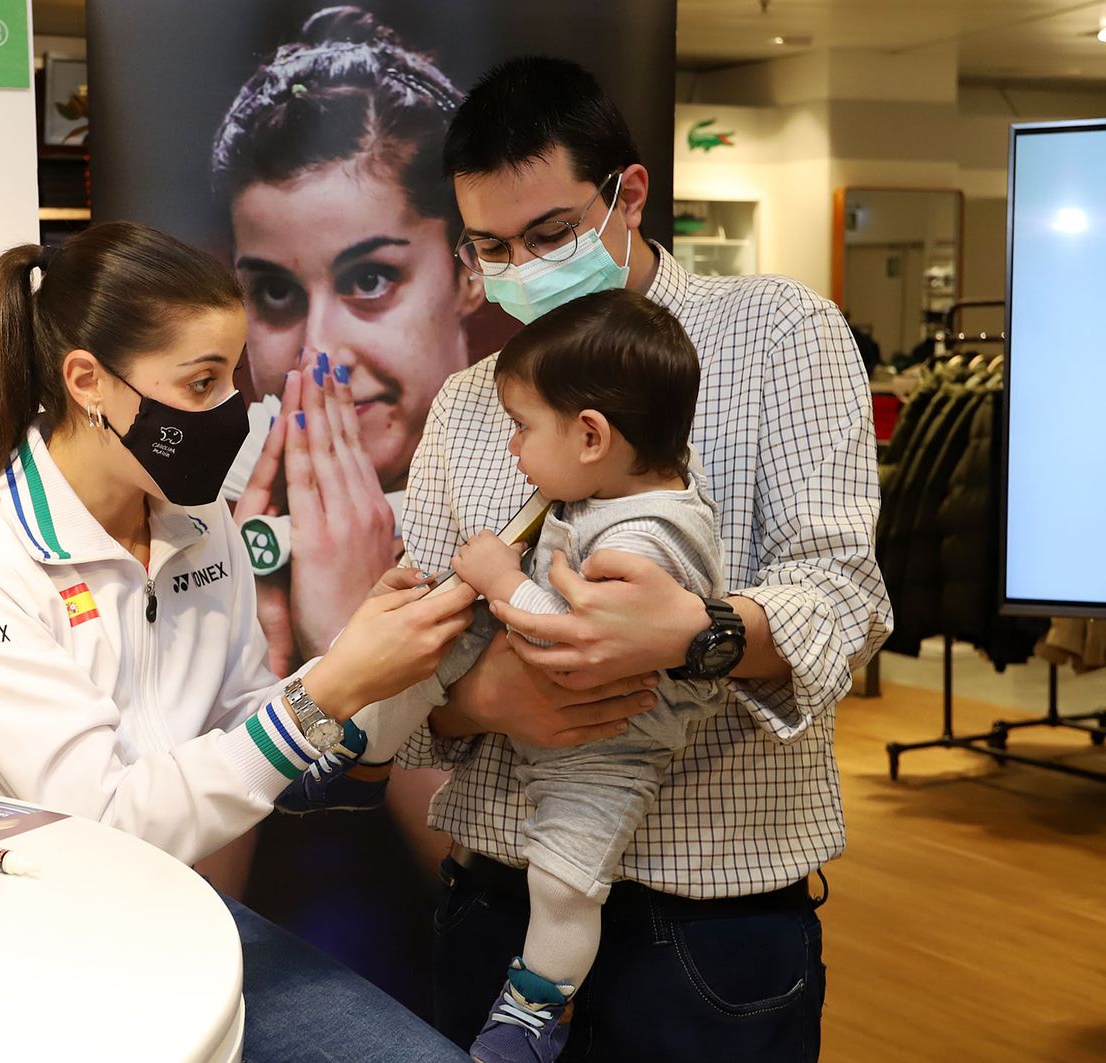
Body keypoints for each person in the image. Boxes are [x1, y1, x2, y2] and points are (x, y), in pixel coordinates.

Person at [310, 57, 890, 1060]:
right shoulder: (466, 402)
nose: (521, 269)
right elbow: (429, 646)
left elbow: (844, 596)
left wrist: (701, 636)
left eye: (549, 236)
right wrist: (478, 699)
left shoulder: (776, 334)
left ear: (628, 194)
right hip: (496, 899)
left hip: (709, 913)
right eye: (491, 246)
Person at [0, 221, 475, 1062]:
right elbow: (105, 821)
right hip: (14, 955)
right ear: (88, 382)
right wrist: (330, 684)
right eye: (200, 384)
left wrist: (380, 664)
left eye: (233, 378)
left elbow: (239, 721)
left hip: (173, 918)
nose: (229, 411)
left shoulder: (201, 530)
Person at [306, 290, 729, 1061]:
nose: (511, 448)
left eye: (523, 427)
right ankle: (359, 754)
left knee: (566, 880)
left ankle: (536, 1006)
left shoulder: (655, 533)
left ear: (593, 436)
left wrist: (503, 579)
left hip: (609, 747)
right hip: (533, 703)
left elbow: (577, 638)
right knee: (424, 646)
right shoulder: (611, 485)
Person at [212, 5, 486, 675]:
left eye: (369, 279)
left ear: (469, 269)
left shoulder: (550, 489)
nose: (319, 354)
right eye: (275, 293)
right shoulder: (197, 515)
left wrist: (344, 643)